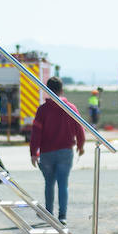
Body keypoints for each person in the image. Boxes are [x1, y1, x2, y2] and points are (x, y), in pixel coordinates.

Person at [29, 76, 85, 223]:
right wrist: (80, 145)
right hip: (65, 152)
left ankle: (48, 213)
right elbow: (80, 128)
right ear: (62, 90)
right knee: (63, 183)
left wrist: (34, 152)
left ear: (47, 90)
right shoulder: (71, 108)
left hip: (47, 153)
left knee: (49, 183)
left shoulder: (42, 110)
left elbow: (36, 132)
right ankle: (63, 216)